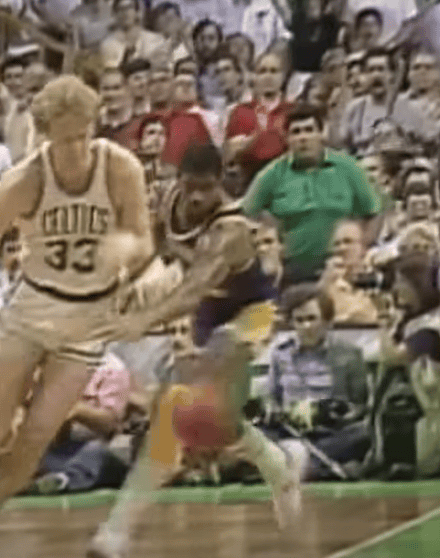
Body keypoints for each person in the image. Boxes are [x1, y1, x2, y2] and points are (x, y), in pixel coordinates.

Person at [0, 75, 155, 558]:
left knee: (37, 437)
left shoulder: (120, 168)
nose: (75, 149)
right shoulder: (24, 180)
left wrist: (125, 251)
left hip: (89, 316)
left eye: (83, 136)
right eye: (64, 140)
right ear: (43, 136)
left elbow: (143, 239)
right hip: (33, 306)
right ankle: (2, 463)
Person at [87, 144, 308, 558]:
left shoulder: (232, 229)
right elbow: (151, 247)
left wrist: (143, 318)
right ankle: (278, 464)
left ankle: (117, 531)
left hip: (252, 313)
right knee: (209, 420)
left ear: (221, 182)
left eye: (205, 189)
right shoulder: (171, 201)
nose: (196, 198)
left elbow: (192, 289)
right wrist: (116, 285)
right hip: (210, 315)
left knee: (180, 405)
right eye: (190, 187)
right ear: (179, 180)